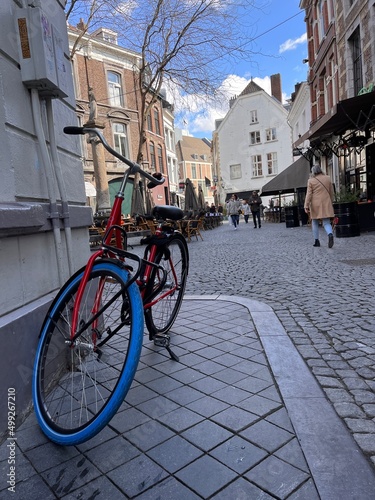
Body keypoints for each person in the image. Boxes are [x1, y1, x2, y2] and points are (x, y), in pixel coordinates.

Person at [304, 164, 335, 248]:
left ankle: (317, 241)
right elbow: (331, 192)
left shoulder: (311, 181)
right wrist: (330, 201)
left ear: (313, 172)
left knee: (314, 222)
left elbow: (309, 194)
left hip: (315, 204)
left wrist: (306, 205)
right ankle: (330, 234)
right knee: (326, 222)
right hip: (326, 202)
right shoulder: (327, 178)